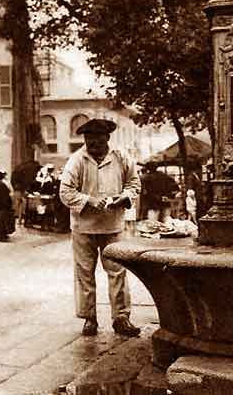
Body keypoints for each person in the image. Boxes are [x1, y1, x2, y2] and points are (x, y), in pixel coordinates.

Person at [59, 118, 142, 337]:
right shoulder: (77, 160)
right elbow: (65, 192)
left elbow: (134, 184)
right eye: (88, 138)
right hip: (83, 228)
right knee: (85, 273)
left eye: (97, 137)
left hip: (113, 226)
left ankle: (121, 318)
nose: (92, 142)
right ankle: (89, 318)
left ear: (107, 137)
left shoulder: (121, 157)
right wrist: (90, 200)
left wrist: (123, 197)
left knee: (118, 272)